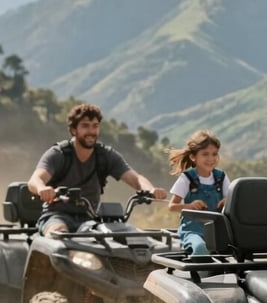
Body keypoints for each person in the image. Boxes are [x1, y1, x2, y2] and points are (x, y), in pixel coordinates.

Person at [27, 103, 167, 236]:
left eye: (95, 126)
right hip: (56, 216)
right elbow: (35, 180)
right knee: (58, 234)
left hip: (89, 220)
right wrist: (42, 189)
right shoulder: (59, 154)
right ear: (73, 130)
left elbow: (135, 178)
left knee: (121, 240)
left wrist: (150, 190)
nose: (91, 131)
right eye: (85, 126)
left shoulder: (105, 155)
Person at [167, 130, 230, 255]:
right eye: (205, 154)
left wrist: (227, 202)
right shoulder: (186, 178)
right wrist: (190, 206)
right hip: (192, 232)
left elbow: (231, 200)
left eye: (214, 154)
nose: (211, 159)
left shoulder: (221, 177)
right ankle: (202, 274)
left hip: (216, 232)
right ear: (193, 157)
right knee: (201, 248)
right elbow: (172, 206)